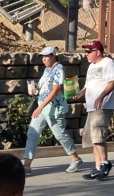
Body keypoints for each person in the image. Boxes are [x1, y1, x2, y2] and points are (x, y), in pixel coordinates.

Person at [21, 47, 83, 176]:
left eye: (46, 56)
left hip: (54, 109)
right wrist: (35, 90)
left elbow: (55, 90)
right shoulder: (47, 70)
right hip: (42, 108)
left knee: (60, 134)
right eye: (42, 57)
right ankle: (26, 165)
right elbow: (45, 87)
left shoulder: (59, 69)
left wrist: (40, 107)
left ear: (54, 56)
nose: (44, 59)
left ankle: (76, 159)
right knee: (32, 133)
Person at [73, 41, 114, 181]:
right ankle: (97, 168)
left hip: (102, 106)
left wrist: (101, 96)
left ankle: (105, 163)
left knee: (98, 136)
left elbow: (112, 82)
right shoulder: (91, 67)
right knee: (93, 139)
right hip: (92, 107)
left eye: (89, 52)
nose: (86, 54)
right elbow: (87, 86)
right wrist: (79, 94)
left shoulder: (108, 63)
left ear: (97, 52)